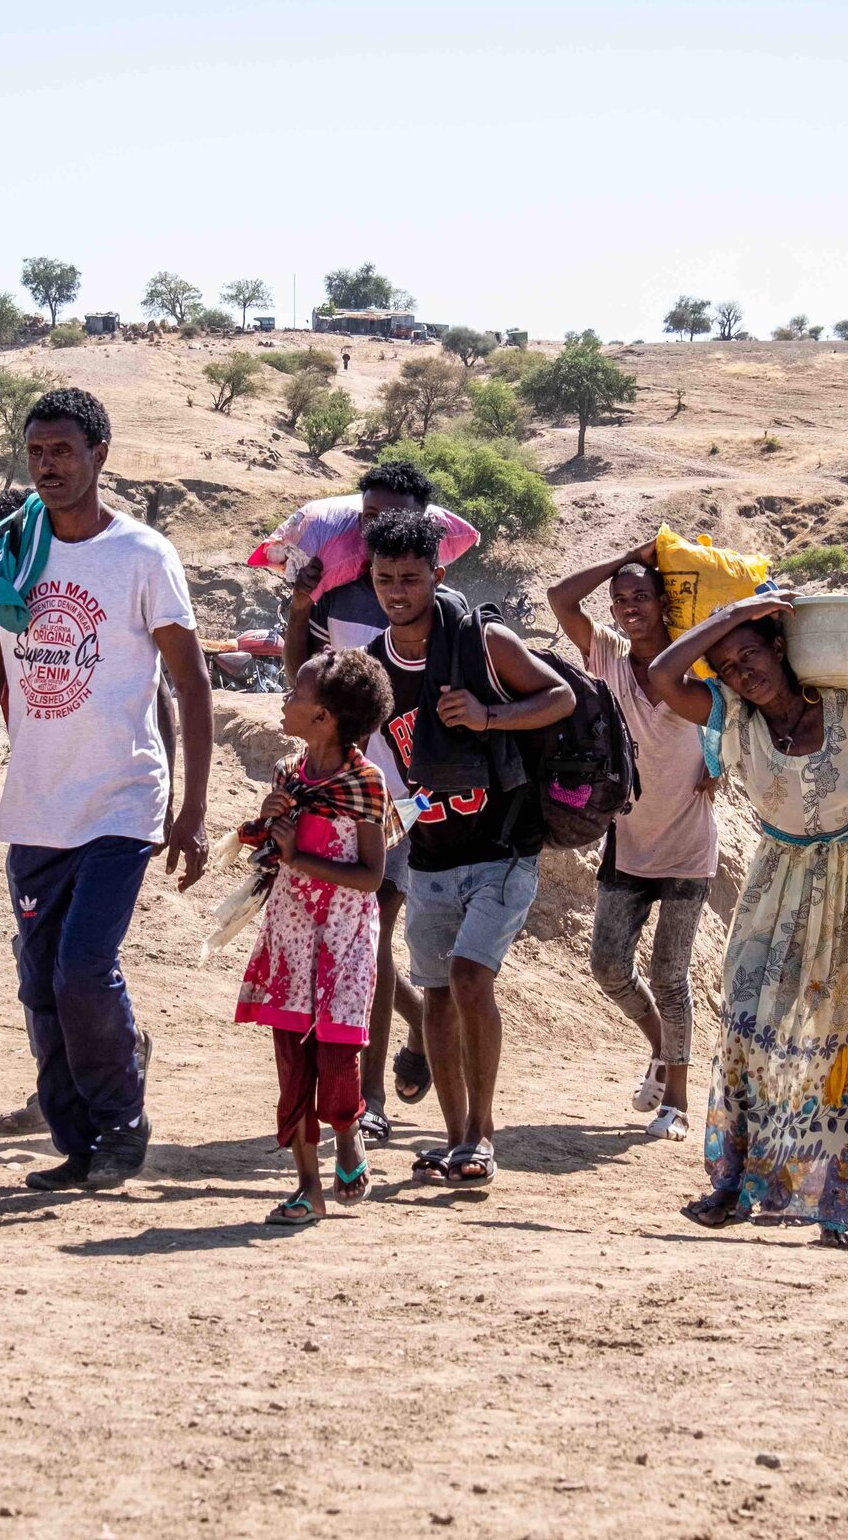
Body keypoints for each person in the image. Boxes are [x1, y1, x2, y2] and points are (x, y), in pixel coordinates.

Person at [0, 388, 214, 1192]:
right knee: (39, 977)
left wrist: (191, 810)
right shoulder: (9, 555)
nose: (48, 465)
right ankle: (77, 1135)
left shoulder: (142, 556)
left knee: (84, 966)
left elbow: (190, 684)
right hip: (37, 806)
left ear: (99, 455)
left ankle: (123, 1121)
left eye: (63, 450)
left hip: (123, 797)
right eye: (37, 452)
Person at [647, 592, 848, 1251]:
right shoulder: (730, 720)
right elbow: (660, 677)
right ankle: (737, 1184)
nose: (742, 671)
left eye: (751, 653)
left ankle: (837, 1208)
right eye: (729, 665)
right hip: (779, 881)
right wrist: (731, 618)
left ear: (780, 649)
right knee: (751, 1022)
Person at [361, 507, 573, 1187]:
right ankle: (455, 1140)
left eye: (412, 579)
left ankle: (483, 1134)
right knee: (437, 996)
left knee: (469, 978)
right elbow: (378, 769)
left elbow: (561, 697)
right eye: (386, 578)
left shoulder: (485, 643)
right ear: (371, 577)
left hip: (503, 847)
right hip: (429, 857)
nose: (398, 591)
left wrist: (488, 716)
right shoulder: (371, 668)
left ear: (437, 575)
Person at [281, 459, 437, 1141]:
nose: (377, 530)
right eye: (368, 517)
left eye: (392, 517)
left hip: (407, 801)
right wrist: (300, 607)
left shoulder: (437, 607)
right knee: (361, 941)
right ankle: (421, 1028)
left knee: (366, 941)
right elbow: (302, 678)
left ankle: (368, 1098)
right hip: (338, 787)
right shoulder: (343, 595)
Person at [545, 538, 719, 1142]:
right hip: (628, 839)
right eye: (620, 600)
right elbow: (559, 597)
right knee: (608, 965)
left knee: (671, 974)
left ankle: (677, 1100)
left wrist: (722, 761)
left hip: (688, 845)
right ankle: (659, 1049)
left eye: (640, 595)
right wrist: (631, 554)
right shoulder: (609, 658)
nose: (628, 608)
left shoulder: (696, 666)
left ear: (663, 602)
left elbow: (741, 717)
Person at [235, 649, 394, 1226]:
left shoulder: (366, 785)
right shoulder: (290, 775)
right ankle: (308, 1188)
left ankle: (348, 1134)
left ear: (324, 716)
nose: (286, 699)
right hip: (291, 935)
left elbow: (372, 876)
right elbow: (271, 854)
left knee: (337, 1056)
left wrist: (299, 855)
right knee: (292, 1064)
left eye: (296, 693)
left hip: (345, 940)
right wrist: (270, 820)